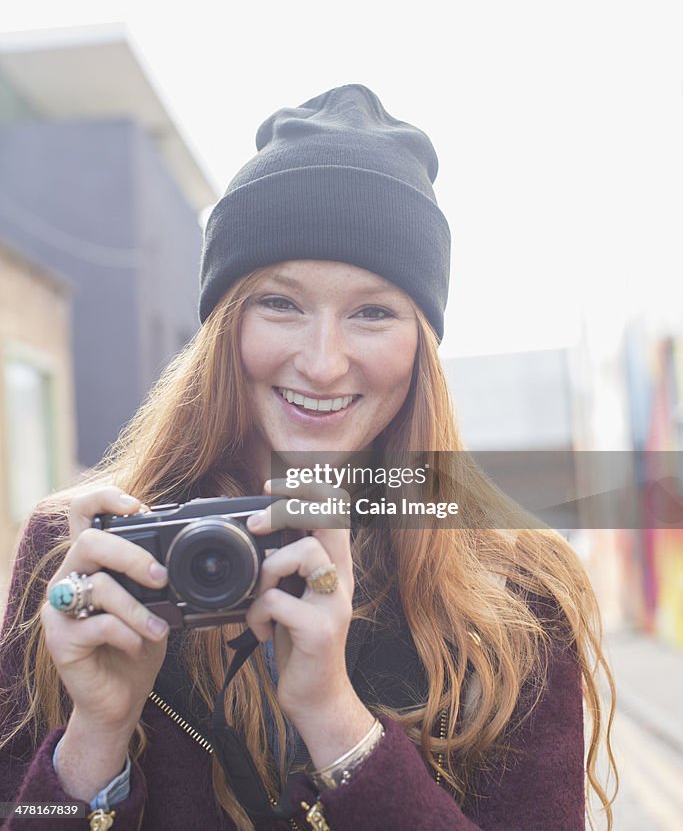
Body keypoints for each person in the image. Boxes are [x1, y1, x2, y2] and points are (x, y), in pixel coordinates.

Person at [0, 85, 617, 831]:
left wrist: (335, 721)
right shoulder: (83, 558)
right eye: (280, 303)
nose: (323, 364)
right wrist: (94, 737)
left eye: (373, 312)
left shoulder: (514, 591)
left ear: (421, 344)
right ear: (224, 326)